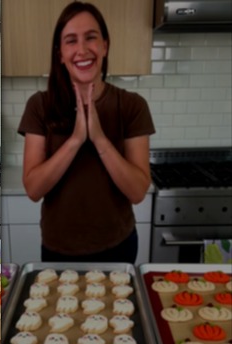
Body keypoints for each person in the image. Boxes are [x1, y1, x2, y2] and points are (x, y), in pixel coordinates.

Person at [19, 2, 154, 263]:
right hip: (58, 248)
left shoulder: (132, 106)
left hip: (119, 245)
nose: (82, 50)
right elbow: (34, 189)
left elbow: (138, 192)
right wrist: (76, 140)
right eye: (71, 41)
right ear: (60, 53)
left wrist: (100, 139)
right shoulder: (39, 106)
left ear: (105, 45)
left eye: (91, 37)